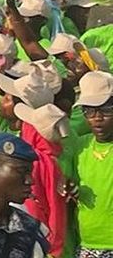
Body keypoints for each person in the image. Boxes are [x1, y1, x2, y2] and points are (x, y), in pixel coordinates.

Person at [71, 71, 113, 257]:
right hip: (86, 244)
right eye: (89, 111)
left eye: (106, 110)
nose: (97, 118)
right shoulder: (80, 146)